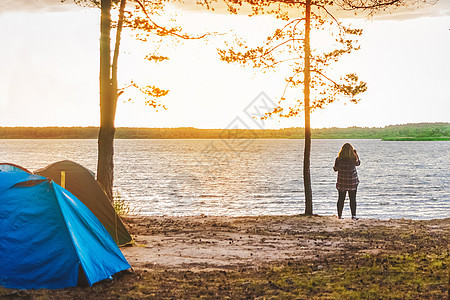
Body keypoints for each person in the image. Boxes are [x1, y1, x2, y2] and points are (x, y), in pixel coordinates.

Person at [333, 143, 360, 220]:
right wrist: (356, 154)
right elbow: (358, 163)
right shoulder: (354, 158)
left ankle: (339, 216)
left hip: (342, 182)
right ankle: (353, 216)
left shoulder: (338, 159)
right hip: (352, 182)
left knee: (341, 199)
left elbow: (335, 169)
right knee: (353, 199)